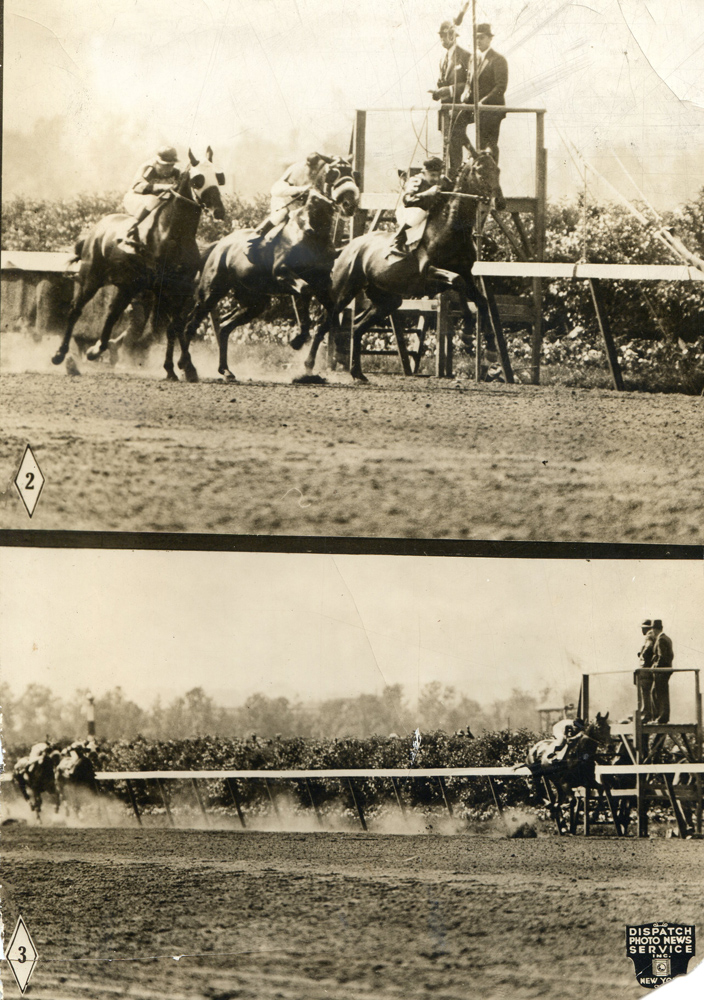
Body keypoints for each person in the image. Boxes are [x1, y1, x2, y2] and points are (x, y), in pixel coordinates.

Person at [245, 152, 339, 258]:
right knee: (281, 214)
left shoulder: (320, 174)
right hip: (284, 201)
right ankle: (256, 237)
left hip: (302, 206)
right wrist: (300, 189)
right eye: (313, 167)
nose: (314, 171)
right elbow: (276, 191)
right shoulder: (295, 172)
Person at [389, 157, 453, 273]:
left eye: (438, 175)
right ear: (424, 173)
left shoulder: (443, 180)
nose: (435, 178)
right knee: (421, 213)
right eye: (432, 175)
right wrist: (426, 193)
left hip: (430, 212)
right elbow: (408, 200)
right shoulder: (416, 181)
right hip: (410, 211)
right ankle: (399, 239)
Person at [459, 24, 508, 166]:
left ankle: (489, 175)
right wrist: (465, 93)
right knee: (457, 128)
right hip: (476, 109)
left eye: (482, 37)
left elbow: (500, 87)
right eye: (476, 38)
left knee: (489, 146)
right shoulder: (473, 59)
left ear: (489, 39)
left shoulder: (498, 60)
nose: (478, 41)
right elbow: (469, 81)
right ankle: (472, 162)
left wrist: (483, 102)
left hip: (492, 110)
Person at [119, 146, 182, 251]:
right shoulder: (149, 169)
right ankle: (130, 230)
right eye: (165, 165)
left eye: (171, 165)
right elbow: (138, 187)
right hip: (136, 197)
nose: (169, 169)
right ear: (157, 162)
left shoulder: (176, 172)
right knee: (152, 200)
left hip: (159, 200)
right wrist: (163, 187)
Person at [431, 17, 471, 179]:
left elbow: (470, 84)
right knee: (447, 144)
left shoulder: (465, 56)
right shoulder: (443, 58)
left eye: (444, 35)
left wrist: (449, 90)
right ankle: (448, 176)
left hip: (459, 109)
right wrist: (438, 92)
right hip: (444, 110)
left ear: (453, 35)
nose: (441, 39)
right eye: (440, 36)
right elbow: (443, 82)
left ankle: (456, 177)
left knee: (456, 144)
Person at [650, 619, 674, 724]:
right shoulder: (667, 638)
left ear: (654, 629)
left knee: (658, 693)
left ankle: (661, 718)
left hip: (661, 671)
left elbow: (662, 657)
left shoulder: (660, 640)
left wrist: (655, 666)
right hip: (665, 670)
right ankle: (661, 717)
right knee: (660, 693)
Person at [636, 618, 656, 722]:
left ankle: (646, 713)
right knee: (650, 691)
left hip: (646, 668)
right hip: (651, 668)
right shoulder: (655, 635)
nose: (641, 630)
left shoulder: (649, 635)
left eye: (642, 628)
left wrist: (643, 657)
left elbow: (648, 648)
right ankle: (649, 713)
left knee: (645, 690)